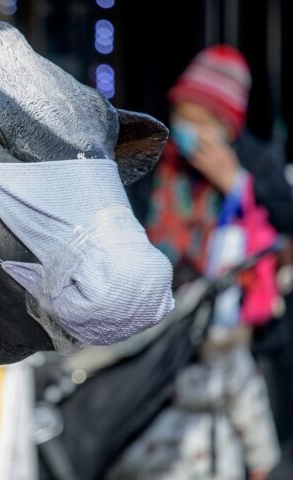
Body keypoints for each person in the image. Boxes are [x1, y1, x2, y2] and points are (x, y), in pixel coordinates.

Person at [109, 45, 286, 480]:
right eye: (183, 115)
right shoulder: (152, 159)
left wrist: (236, 184)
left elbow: (284, 216)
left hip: (221, 333)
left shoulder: (251, 165)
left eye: (203, 122)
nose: (189, 131)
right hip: (150, 332)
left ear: (227, 128)